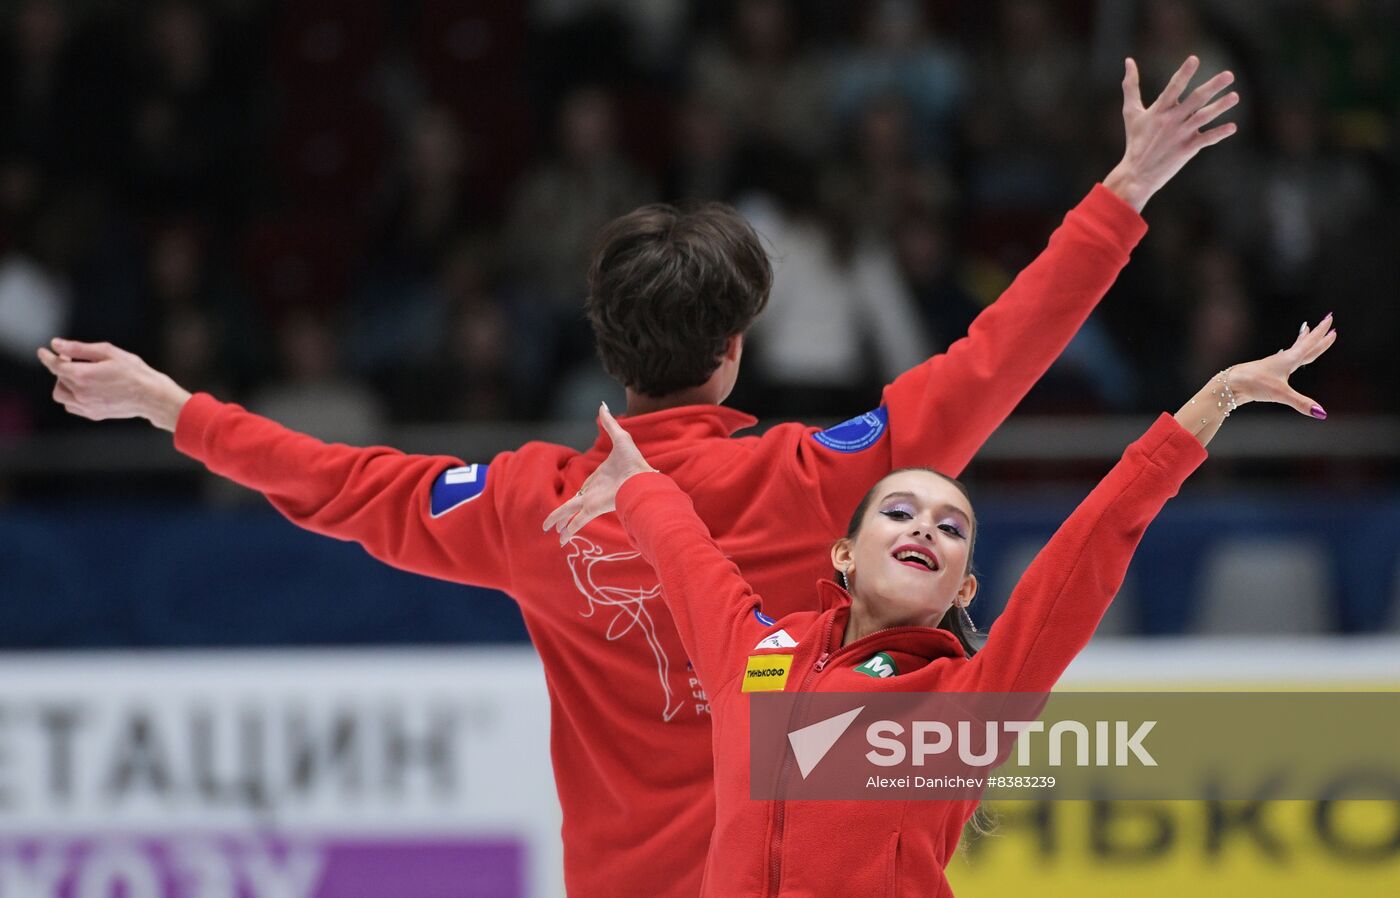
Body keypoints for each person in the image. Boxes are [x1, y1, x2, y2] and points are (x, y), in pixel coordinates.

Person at [39, 57, 1240, 898]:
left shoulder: (531, 505)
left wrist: (170, 404)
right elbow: (996, 359)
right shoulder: (817, 480)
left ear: (607, 357)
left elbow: (339, 483)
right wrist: (1121, 192)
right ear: (731, 352)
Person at [546, 316, 1336, 897]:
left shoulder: (965, 703)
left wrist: (1218, 397)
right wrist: (638, 483)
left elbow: (1090, 547)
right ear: (844, 556)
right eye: (897, 511)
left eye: (950, 526)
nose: (924, 524)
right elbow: (691, 562)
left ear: (963, 586)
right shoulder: (759, 656)